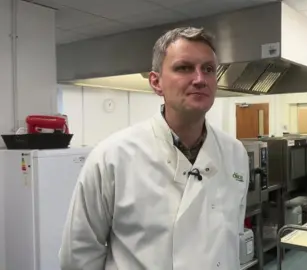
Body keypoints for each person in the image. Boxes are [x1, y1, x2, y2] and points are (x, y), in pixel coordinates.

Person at [59, 27, 250, 270]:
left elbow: (229, 239)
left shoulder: (235, 153)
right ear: (156, 82)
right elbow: (79, 255)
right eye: (184, 68)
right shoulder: (112, 157)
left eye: (208, 69)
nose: (200, 79)